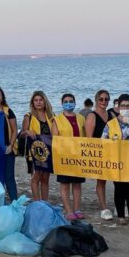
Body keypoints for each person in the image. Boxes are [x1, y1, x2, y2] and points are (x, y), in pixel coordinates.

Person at [102, 93, 129, 225]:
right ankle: (121, 216)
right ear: (118, 107)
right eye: (123, 106)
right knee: (120, 188)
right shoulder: (111, 124)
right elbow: (103, 142)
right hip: (117, 160)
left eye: (128, 106)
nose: (125, 108)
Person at [84, 89, 116, 219]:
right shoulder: (92, 116)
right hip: (99, 152)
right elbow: (89, 138)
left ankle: (119, 206)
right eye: (101, 99)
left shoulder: (112, 115)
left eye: (106, 99)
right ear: (96, 100)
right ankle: (104, 208)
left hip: (112, 151)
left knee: (117, 180)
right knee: (101, 181)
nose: (104, 101)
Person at [54, 93, 86, 221]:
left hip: (78, 155)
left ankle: (77, 208)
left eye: (71, 101)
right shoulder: (57, 119)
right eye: (66, 101)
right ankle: (68, 210)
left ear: (75, 102)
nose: (69, 103)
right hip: (63, 156)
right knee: (65, 184)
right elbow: (55, 138)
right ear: (62, 104)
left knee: (77, 183)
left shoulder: (80, 118)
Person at [21, 91, 56, 202]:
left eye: (40, 100)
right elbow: (21, 134)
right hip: (34, 151)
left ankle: (44, 202)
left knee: (45, 178)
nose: (38, 102)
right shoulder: (29, 116)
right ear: (32, 103)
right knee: (36, 177)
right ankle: (37, 201)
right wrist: (27, 131)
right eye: (36, 100)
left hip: (48, 151)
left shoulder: (51, 116)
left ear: (45, 101)